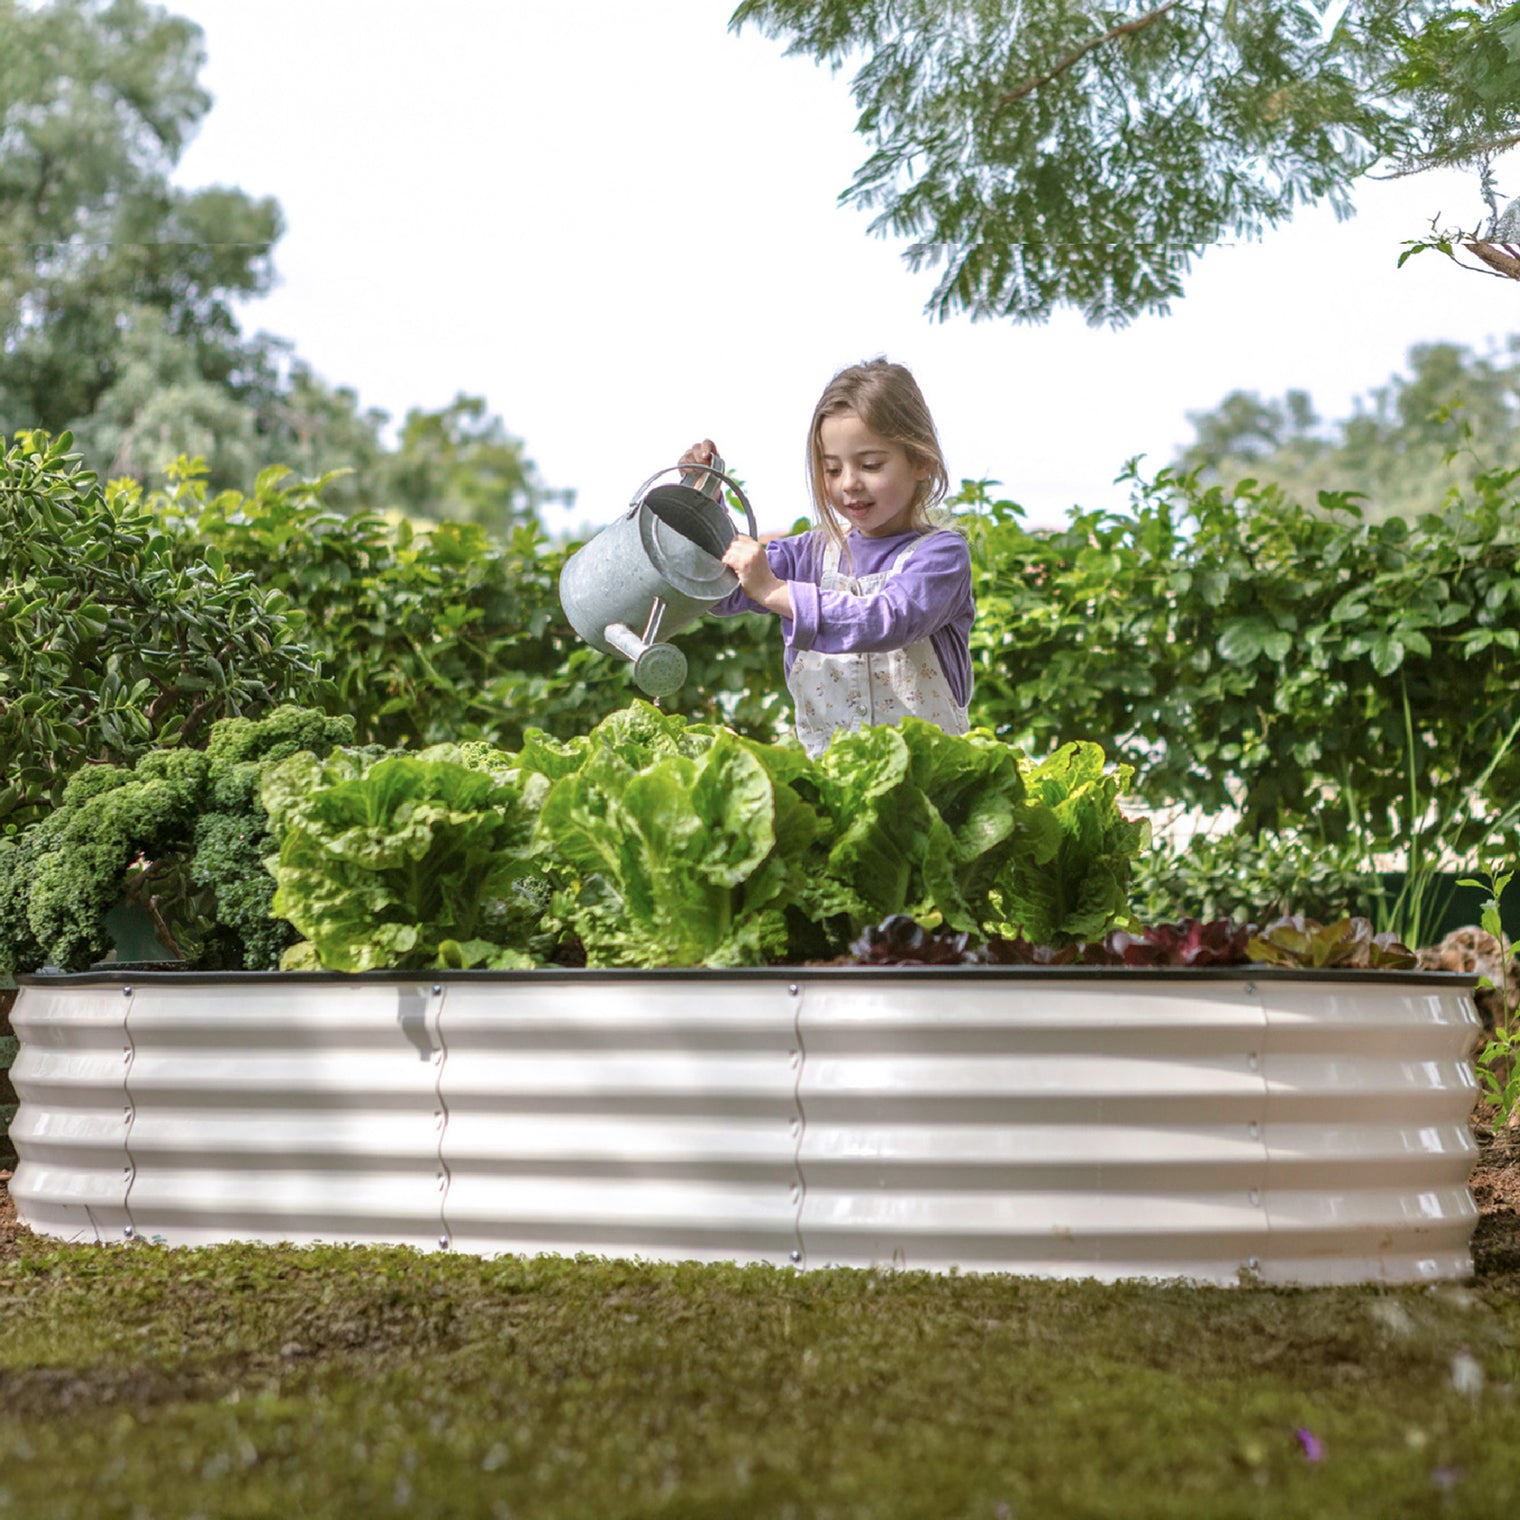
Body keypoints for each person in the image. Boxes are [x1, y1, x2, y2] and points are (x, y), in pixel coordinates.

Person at [679, 357, 975, 758]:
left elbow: (888, 620)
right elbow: (722, 588)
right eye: (832, 469)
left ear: (921, 461)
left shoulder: (941, 556)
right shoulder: (809, 555)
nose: (849, 483)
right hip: (830, 779)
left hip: (929, 780)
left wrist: (775, 592)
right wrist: (704, 500)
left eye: (870, 465)